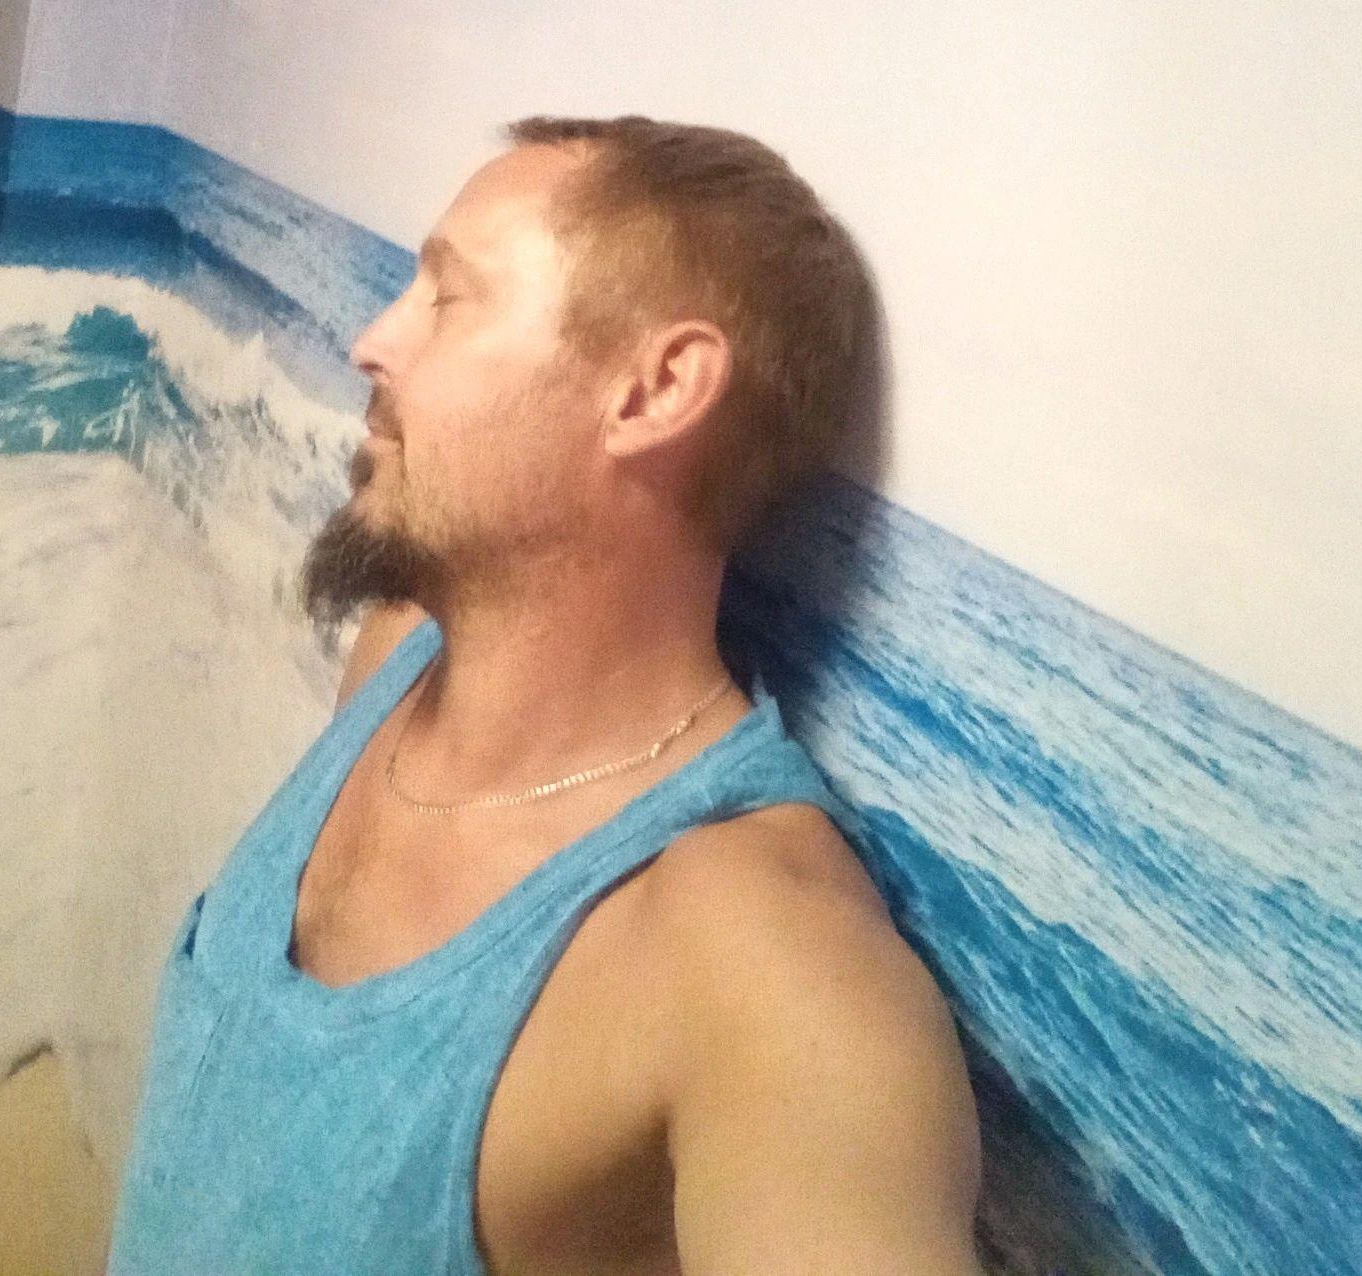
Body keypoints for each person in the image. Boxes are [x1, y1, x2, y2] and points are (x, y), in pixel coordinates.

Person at [109, 116, 982, 1275]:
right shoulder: (399, 651)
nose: (372, 342)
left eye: (447, 298)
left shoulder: (757, 965)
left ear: (653, 391)